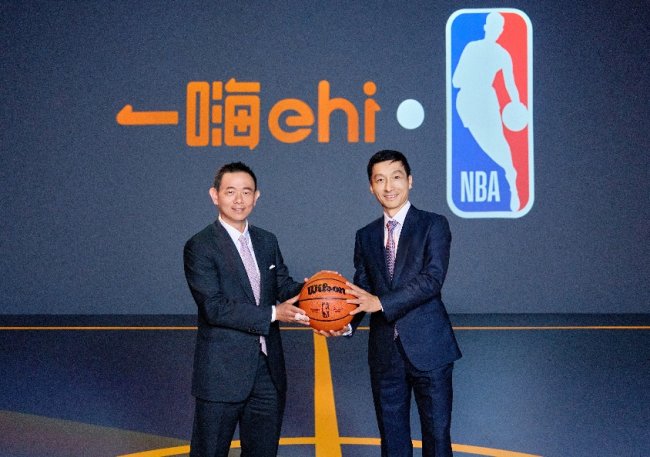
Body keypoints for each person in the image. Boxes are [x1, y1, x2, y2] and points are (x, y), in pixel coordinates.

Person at [323, 150, 462, 457]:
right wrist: (344, 323)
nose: (389, 187)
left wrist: (382, 303)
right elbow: (363, 288)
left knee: (437, 439)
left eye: (396, 177)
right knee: (392, 440)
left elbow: (432, 279)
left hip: (430, 349)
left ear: (409, 181)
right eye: (380, 180)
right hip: (385, 354)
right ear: (371, 187)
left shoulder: (434, 225)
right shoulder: (365, 235)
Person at [183, 161, 310, 457]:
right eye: (230, 191)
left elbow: (282, 286)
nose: (239, 200)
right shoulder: (200, 246)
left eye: (246, 192)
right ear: (215, 195)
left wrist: (316, 291)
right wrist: (274, 314)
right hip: (221, 376)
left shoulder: (267, 241)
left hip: (267, 373)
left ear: (257, 196)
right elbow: (214, 308)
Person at [452, 11, 522, 211]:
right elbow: (456, 80)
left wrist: (517, 105)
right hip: (467, 102)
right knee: (486, 144)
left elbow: (510, 84)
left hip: (487, 101)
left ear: (501, 31)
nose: (496, 31)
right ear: (486, 27)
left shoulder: (502, 54)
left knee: (497, 141)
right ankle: (510, 172)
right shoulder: (471, 48)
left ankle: (511, 177)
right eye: (493, 26)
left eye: (499, 28)